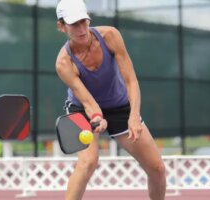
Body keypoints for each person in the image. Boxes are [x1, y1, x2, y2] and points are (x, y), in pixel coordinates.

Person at [55, 0, 166, 199]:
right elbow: (88, 102)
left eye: (83, 21)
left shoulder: (110, 36)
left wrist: (134, 115)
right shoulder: (64, 63)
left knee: (157, 168)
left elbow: (130, 80)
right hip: (82, 108)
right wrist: (98, 117)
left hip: (119, 104)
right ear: (61, 27)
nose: (81, 29)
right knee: (88, 162)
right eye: (74, 24)